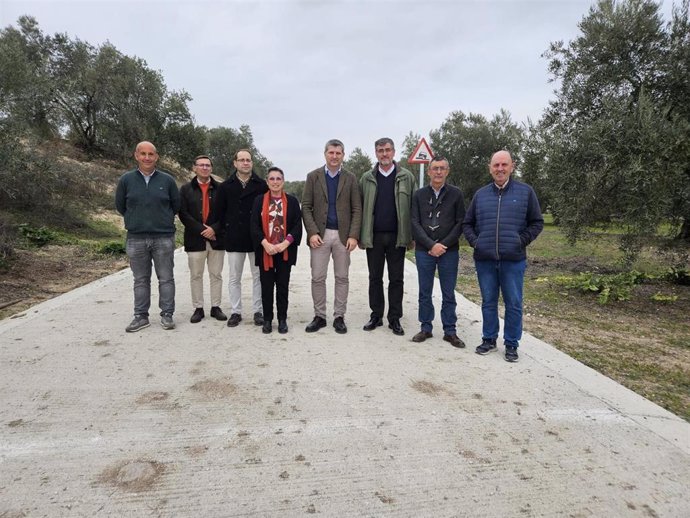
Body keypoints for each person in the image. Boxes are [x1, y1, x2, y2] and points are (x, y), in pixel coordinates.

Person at [462, 150, 543, 362]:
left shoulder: (525, 192)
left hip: (513, 260)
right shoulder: (481, 195)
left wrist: (520, 240)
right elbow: (467, 224)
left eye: (503, 165)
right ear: (490, 168)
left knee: (513, 303)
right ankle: (489, 339)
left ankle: (511, 344)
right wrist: (476, 242)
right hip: (485, 259)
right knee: (488, 301)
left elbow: (537, 223)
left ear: (512, 166)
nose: (499, 169)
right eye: (496, 165)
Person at [115, 141, 180, 332]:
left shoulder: (167, 181)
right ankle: (141, 316)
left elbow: (175, 206)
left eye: (150, 154)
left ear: (156, 156)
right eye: (143, 154)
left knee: (166, 278)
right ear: (136, 155)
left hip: (163, 237)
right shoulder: (126, 180)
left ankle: (167, 314)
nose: (147, 157)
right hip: (136, 238)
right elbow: (120, 206)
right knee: (141, 279)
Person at [301, 139, 362, 334]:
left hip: (343, 237)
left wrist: (353, 235)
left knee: (342, 277)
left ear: (343, 155)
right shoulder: (313, 177)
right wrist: (312, 232)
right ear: (325, 154)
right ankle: (319, 316)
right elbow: (306, 206)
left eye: (338, 153)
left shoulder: (351, 178)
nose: (334, 156)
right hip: (320, 235)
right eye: (331, 153)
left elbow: (357, 209)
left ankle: (339, 317)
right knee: (318, 277)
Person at [359, 137, 416, 336]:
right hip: (373, 236)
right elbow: (360, 207)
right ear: (376, 153)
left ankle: (394, 318)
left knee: (396, 279)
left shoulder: (406, 177)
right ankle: (376, 315)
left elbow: (413, 208)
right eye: (380, 150)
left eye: (388, 150)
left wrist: (412, 236)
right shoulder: (366, 178)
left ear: (393, 152)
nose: (384, 154)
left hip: (397, 236)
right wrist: (359, 235)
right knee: (375, 278)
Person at [410, 155, 466, 348]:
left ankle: (450, 331)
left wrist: (443, 244)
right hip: (424, 251)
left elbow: (461, 222)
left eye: (442, 168)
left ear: (447, 171)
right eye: (435, 168)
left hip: (448, 251)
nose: (439, 172)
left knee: (448, 292)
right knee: (424, 292)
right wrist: (430, 244)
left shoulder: (456, 194)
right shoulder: (418, 195)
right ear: (429, 171)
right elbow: (414, 223)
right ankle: (426, 327)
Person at [212, 149, 268, 328]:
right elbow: (218, 213)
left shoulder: (261, 185)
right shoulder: (225, 186)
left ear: (252, 163)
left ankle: (258, 311)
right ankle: (236, 311)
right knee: (234, 277)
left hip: (256, 238)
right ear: (235, 163)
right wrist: (223, 233)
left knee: (258, 276)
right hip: (234, 237)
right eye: (242, 160)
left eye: (248, 160)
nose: (245, 163)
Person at [250, 167, 303, 334]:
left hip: (284, 251)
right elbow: (254, 225)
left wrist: (284, 244)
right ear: (267, 182)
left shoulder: (292, 201)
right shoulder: (259, 200)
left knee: (282, 287)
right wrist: (265, 243)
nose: (275, 182)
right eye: (271, 179)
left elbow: (296, 227)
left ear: (283, 181)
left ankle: (282, 319)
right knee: (266, 287)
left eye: (278, 178)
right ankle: (267, 320)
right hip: (265, 250)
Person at [178, 155, 227, 324]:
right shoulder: (185, 189)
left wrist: (214, 229)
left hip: (217, 238)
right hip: (194, 239)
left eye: (208, 165)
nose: (205, 168)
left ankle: (216, 307)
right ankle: (198, 308)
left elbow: (227, 213)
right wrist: (202, 230)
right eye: (201, 165)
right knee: (196, 275)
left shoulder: (221, 189)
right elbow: (183, 214)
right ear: (194, 168)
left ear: (211, 168)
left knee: (216, 274)